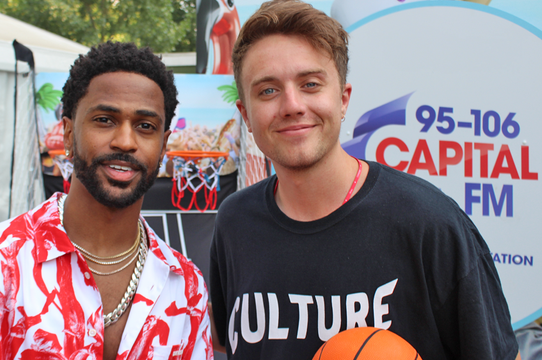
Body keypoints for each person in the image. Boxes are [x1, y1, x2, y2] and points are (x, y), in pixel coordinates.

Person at [208, 1, 521, 360]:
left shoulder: (430, 225)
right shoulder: (235, 222)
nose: (292, 104)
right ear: (246, 115)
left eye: (310, 84)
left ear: (343, 100)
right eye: (268, 90)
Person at [0, 42, 213, 360]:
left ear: (163, 146)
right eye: (105, 120)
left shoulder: (186, 287)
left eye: (145, 126)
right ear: (67, 134)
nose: (125, 141)